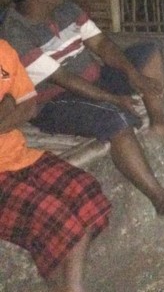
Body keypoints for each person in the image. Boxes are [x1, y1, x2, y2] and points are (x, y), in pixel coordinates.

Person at [0, 0, 164, 217]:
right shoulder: (15, 34)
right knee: (115, 119)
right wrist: (115, 99)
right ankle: (161, 199)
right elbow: (64, 79)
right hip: (54, 101)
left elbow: (102, 44)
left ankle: (158, 121)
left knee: (148, 52)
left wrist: (132, 75)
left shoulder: (66, 9)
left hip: (94, 79)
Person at [0, 40, 111, 292]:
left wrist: (9, 105)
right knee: (56, 217)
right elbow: (14, 103)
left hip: (19, 156)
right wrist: (7, 104)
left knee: (86, 194)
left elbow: (27, 106)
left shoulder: (3, 50)